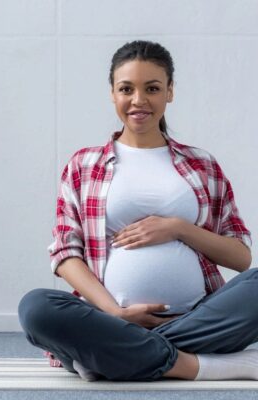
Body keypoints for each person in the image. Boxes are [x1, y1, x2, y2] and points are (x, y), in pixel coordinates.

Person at [18, 40, 257, 382]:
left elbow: (240, 258)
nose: (138, 100)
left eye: (153, 88)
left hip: (197, 316)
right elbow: (65, 253)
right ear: (113, 94)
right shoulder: (83, 164)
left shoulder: (202, 165)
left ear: (170, 92)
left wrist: (178, 228)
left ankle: (110, 355)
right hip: (107, 318)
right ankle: (193, 364)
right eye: (126, 89)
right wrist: (115, 313)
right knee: (36, 308)